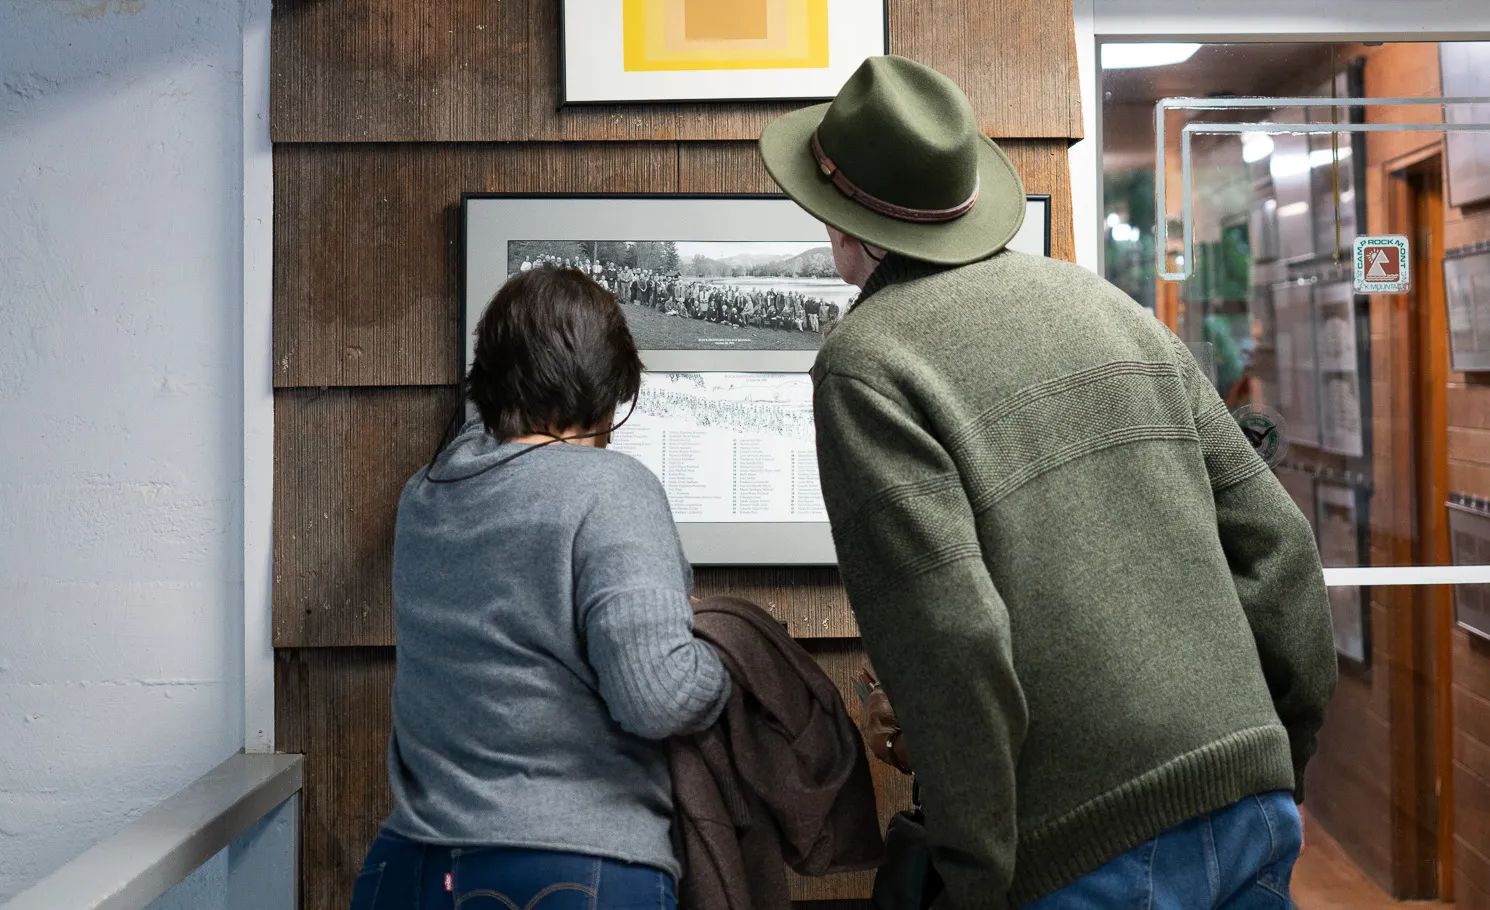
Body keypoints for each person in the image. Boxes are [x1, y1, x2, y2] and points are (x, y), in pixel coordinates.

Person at [759, 56, 1337, 910]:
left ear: (846, 226)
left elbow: (950, 639)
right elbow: (1280, 550)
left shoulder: (868, 361)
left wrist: (978, 878)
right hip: (1247, 796)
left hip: (1083, 846)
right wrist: (1272, 756)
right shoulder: (1104, 304)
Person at [352, 265, 731, 910]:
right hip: (569, 867)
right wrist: (723, 664)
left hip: (409, 867)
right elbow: (657, 698)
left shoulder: (427, 494)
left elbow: (499, 447)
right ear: (609, 387)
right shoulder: (610, 488)